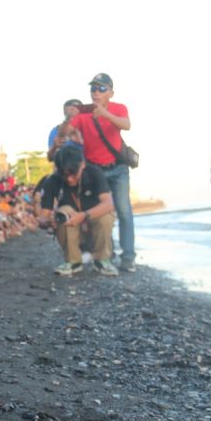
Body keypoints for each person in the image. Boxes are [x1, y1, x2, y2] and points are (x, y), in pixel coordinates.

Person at [69, 73, 135, 271]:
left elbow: (127, 125)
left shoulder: (118, 108)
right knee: (101, 214)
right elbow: (66, 134)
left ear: (111, 93)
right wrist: (69, 117)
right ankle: (106, 253)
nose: (96, 93)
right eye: (93, 89)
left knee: (124, 212)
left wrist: (104, 114)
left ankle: (128, 258)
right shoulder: (82, 114)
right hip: (95, 170)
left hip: (118, 168)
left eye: (101, 89)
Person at [39, 144, 117, 276]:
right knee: (63, 211)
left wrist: (83, 215)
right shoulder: (52, 180)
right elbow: (43, 217)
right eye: (65, 175)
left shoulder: (94, 173)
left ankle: (102, 261)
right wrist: (48, 222)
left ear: (83, 165)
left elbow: (109, 204)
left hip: (95, 228)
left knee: (105, 214)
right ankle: (73, 262)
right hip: (71, 232)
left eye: (73, 174)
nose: (69, 179)